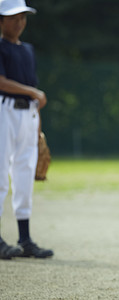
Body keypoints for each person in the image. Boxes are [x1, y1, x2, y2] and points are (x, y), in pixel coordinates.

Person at [0, 0, 53, 259]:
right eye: (13, 17)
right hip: (3, 111)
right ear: (1, 20)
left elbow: (35, 95)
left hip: (27, 116)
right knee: (0, 176)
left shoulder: (28, 50)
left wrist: (37, 129)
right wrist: (33, 92)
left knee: (23, 175)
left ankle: (25, 238)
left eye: (23, 17)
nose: (19, 22)